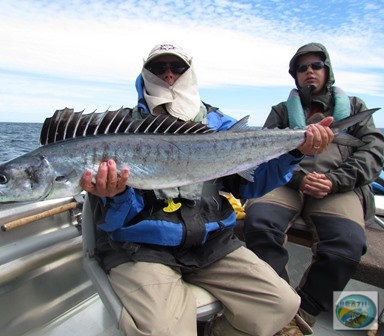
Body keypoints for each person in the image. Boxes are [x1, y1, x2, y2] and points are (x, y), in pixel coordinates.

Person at [81, 42, 334, 336]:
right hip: (141, 249)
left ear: (189, 72)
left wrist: (294, 152)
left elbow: (252, 185)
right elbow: (112, 223)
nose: (169, 75)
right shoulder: (120, 129)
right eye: (158, 68)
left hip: (212, 245)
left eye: (177, 67)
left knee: (282, 304)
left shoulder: (219, 125)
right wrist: (116, 195)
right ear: (144, 73)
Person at [243, 42, 384, 334]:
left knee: (347, 244)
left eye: (315, 66)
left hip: (338, 187)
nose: (309, 72)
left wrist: (335, 180)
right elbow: (266, 153)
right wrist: (297, 178)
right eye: (301, 68)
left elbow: (373, 152)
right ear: (294, 75)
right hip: (288, 182)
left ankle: (303, 310)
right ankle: (280, 304)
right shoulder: (281, 111)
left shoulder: (355, 107)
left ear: (327, 70)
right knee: (258, 223)